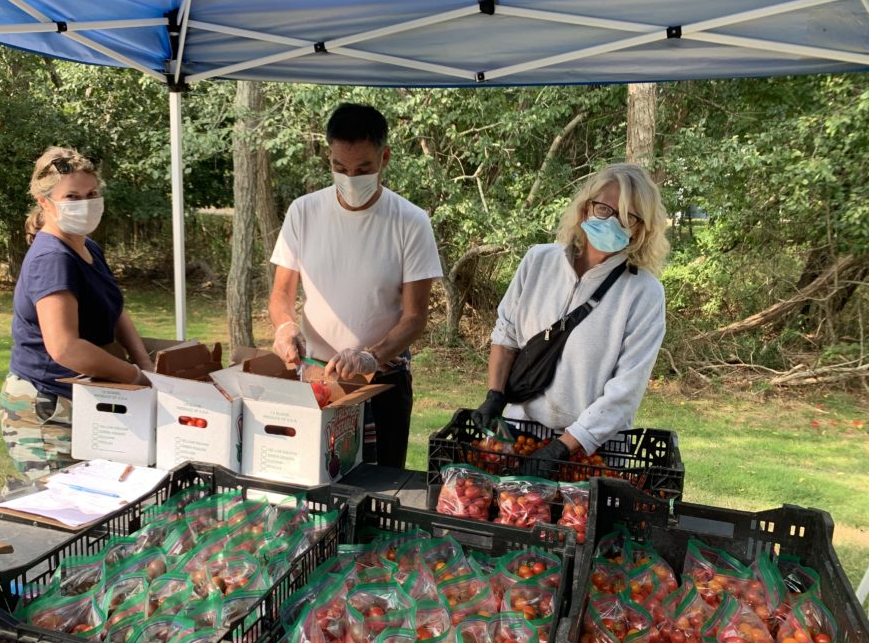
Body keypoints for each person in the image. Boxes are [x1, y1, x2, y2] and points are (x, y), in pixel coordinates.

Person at [269, 103, 443, 469]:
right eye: (339, 168)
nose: (350, 178)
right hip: (316, 380)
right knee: (311, 479)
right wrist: (285, 327)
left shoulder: (410, 221)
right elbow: (282, 293)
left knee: (378, 489)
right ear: (329, 158)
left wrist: (371, 355)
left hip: (382, 383)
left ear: (385, 158)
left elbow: (415, 317)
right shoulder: (303, 212)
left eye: (363, 168)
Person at [472, 163, 669, 463]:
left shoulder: (644, 293)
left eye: (628, 216)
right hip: (518, 433)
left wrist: (561, 448)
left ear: (641, 228)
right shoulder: (538, 261)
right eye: (604, 208)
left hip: (590, 449)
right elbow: (507, 333)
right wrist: (494, 396)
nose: (613, 222)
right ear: (586, 208)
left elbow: (624, 391)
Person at [0, 147, 152, 481]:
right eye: (72, 196)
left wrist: (146, 364)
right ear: (45, 202)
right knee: (66, 512)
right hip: (47, 407)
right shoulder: (53, 258)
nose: (84, 203)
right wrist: (134, 376)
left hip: (88, 399)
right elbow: (65, 347)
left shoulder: (87, 247)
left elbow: (116, 310)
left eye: (91, 194)